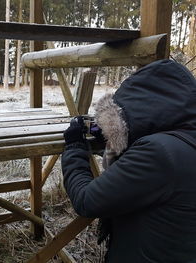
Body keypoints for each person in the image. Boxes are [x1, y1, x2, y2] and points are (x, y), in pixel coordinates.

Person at [61, 59, 196, 263]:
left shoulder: (158, 154)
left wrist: (73, 147)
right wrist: (115, 138)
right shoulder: (183, 141)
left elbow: (86, 200)